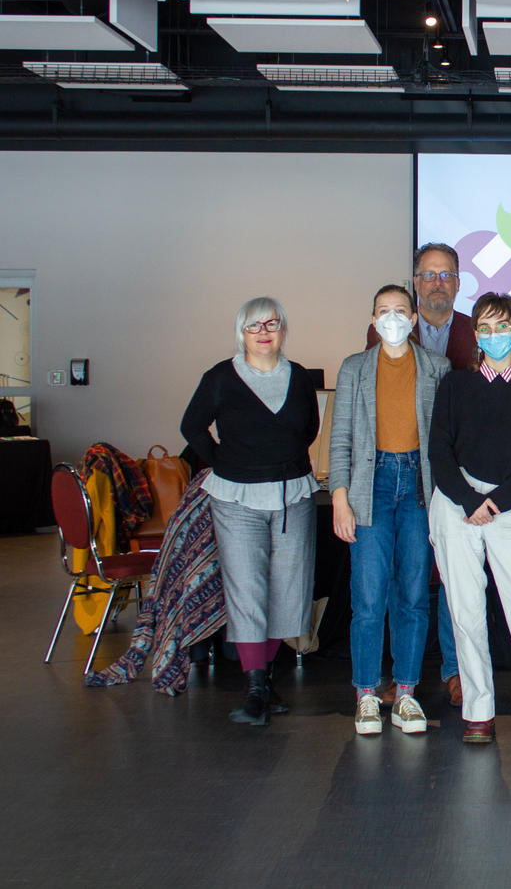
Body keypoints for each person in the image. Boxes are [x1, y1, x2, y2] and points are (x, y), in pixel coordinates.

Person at [428, 292, 511, 747]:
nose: (493, 335)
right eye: (484, 327)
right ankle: (478, 711)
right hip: (456, 504)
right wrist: (468, 500)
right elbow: (438, 449)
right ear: (475, 335)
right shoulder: (455, 385)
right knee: (465, 612)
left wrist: (498, 502)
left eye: (501, 325)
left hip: (510, 505)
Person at [180, 297, 319, 727]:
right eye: (253, 326)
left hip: (292, 495)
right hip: (236, 498)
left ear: (283, 330)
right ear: (241, 332)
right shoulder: (220, 377)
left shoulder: (298, 377)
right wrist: (223, 462)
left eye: (271, 324)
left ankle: (267, 679)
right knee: (247, 590)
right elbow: (191, 426)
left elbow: (310, 427)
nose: (263, 332)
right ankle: (255, 686)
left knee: (288, 590)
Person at [330, 284, 451, 737]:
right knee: (367, 596)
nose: (394, 317)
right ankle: (366, 694)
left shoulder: (436, 368)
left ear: (415, 318)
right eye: (385, 311)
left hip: (420, 486)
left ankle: (405, 694)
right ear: (373, 318)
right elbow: (339, 439)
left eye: (401, 310)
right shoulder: (354, 368)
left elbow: (444, 441)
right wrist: (340, 498)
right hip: (370, 485)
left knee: (415, 594)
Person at [367, 242, 478, 707]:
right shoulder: (382, 334)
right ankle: (402, 674)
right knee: (403, 577)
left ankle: (457, 672)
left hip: (460, 471)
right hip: (404, 469)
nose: (437, 283)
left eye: (446, 275)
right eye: (428, 275)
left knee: (456, 575)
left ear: (458, 282)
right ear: (415, 281)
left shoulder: (476, 331)